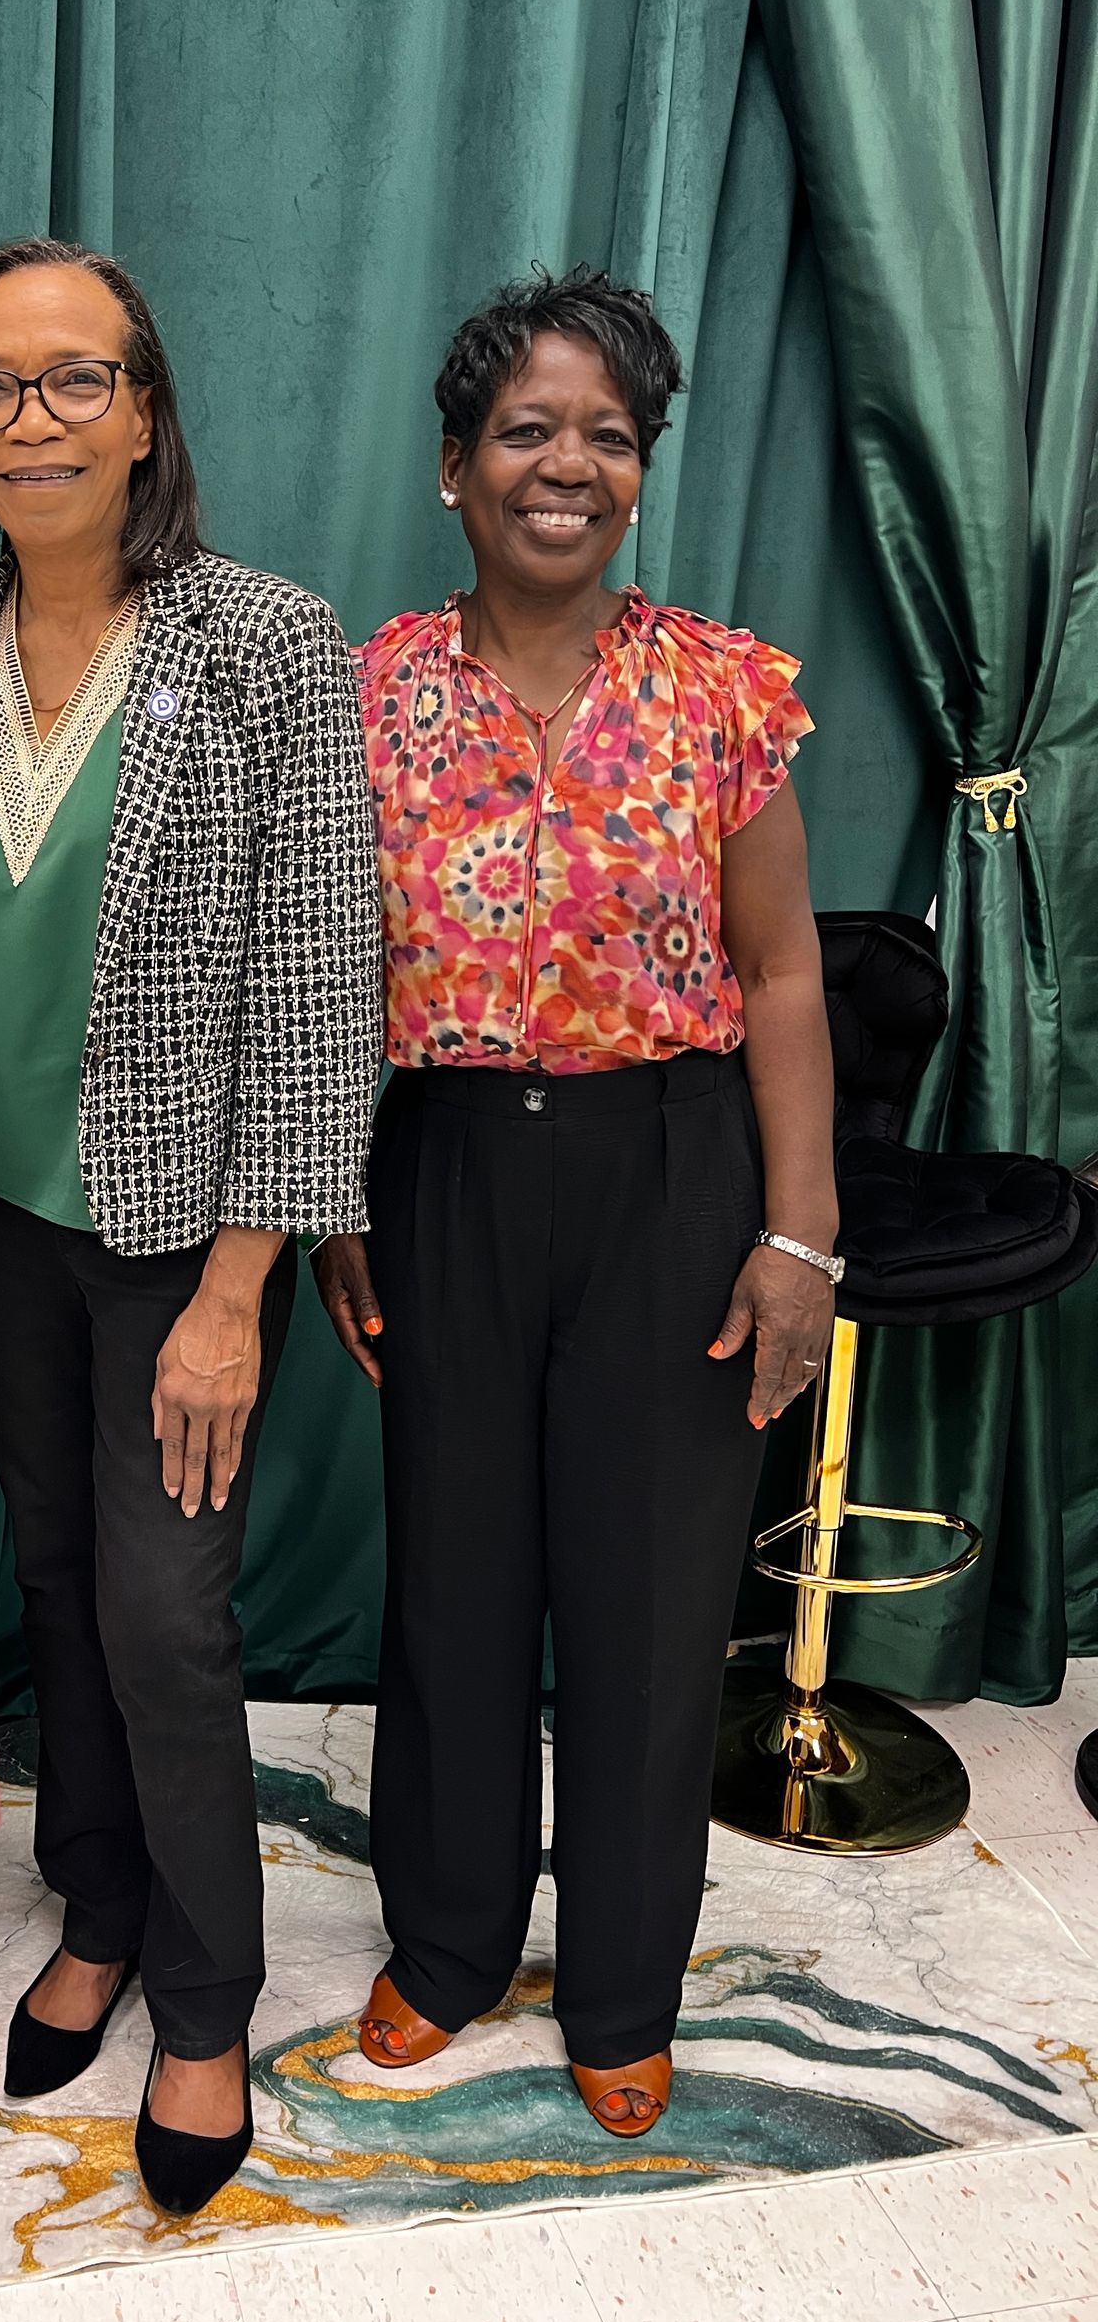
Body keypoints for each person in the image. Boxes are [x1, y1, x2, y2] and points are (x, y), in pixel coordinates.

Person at [0, 236, 383, 2213]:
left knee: (170, 1621)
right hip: (1, 1219)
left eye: (75, 377)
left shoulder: (261, 638)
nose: (34, 417)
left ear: (147, 407)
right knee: (62, 1585)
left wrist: (244, 1279)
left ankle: (202, 1993)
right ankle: (89, 1904)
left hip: (184, 1238)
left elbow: (323, 982)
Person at [313, 266, 838, 2138]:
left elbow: (782, 976)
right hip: (439, 1167)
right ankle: (451, 1947)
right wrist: (325, 1195)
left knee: (644, 1596)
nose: (569, 464)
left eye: (607, 435)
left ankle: (622, 1980)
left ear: (641, 472)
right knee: (457, 1582)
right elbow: (314, 978)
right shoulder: (366, 697)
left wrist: (798, 1237)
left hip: (672, 1173)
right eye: (527, 430)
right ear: (454, 469)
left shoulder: (725, 691)